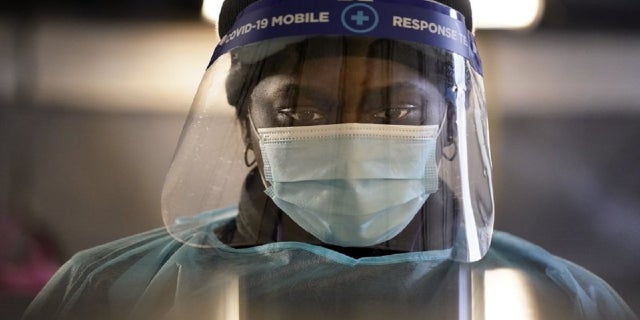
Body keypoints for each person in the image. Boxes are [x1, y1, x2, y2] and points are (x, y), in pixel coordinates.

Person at [23, 0, 638, 319]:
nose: (350, 137)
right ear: (247, 127)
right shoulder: (105, 293)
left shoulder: (562, 303)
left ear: (449, 130)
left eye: (397, 111)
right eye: (298, 113)